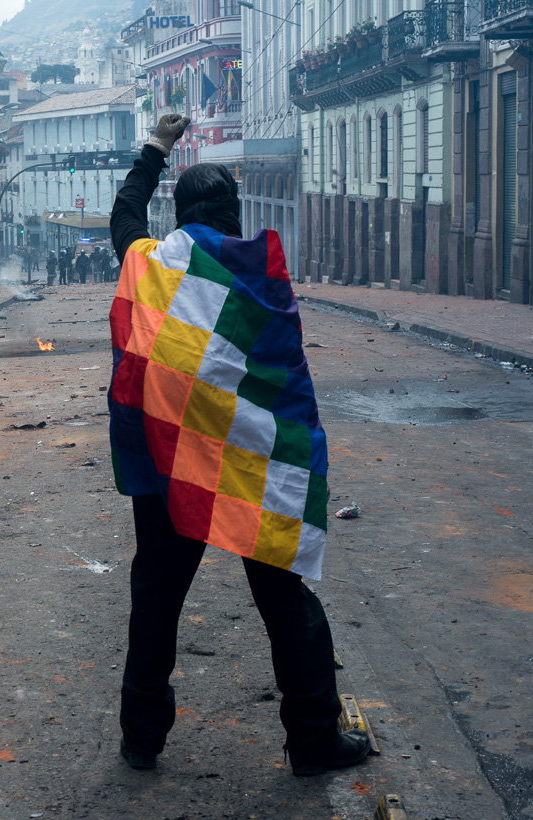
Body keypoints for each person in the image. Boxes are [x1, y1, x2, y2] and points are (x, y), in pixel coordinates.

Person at [107, 113, 371, 777]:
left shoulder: (149, 269)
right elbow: (282, 384)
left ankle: (142, 738)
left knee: (156, 601)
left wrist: (155, 150)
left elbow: (123, 214)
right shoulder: (260, 280)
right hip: (251, 466)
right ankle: (312, 738)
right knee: (286, 601)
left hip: (169, 471)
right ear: (233, 212)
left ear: (179, 214)